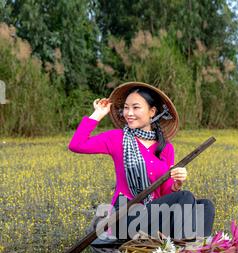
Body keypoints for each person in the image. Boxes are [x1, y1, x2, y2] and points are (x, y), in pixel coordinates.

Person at [68, 81, 215, 242]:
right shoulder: (118, 138)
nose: (129, 113)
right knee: (185, 197)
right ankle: (184, 247)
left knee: (205, 206)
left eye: (135, 107)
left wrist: (176, 184)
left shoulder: (165, 147)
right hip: (125, 217)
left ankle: (192, 247)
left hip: (154, 215)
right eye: (126, 107)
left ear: (152, 111)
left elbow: (164, 194)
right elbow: (77, 145)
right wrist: (98, 113)